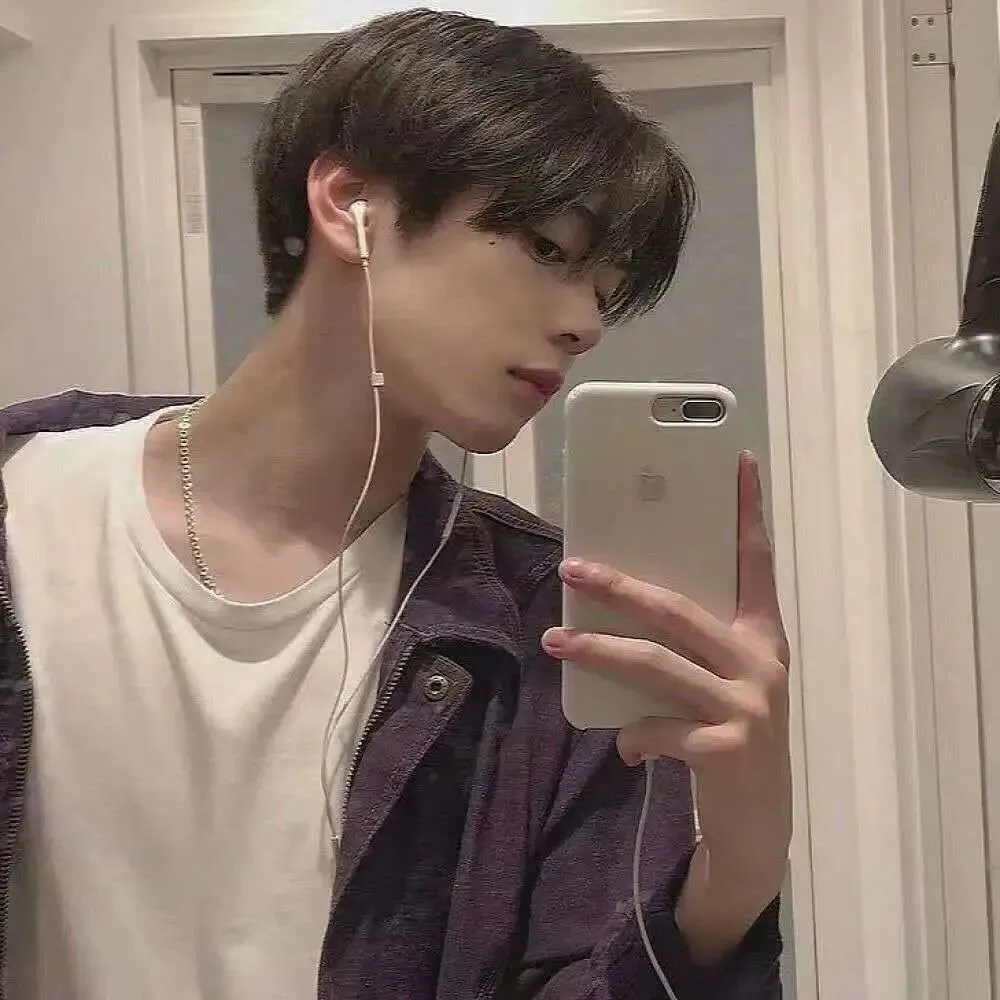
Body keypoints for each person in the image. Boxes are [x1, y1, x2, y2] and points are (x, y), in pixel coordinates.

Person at [0, 8, 791, 999]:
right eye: (550, 250)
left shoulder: (551, 630)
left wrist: (735, 876)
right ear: (350, 205)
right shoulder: (24, 510)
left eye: (605, 288)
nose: (585, 322)